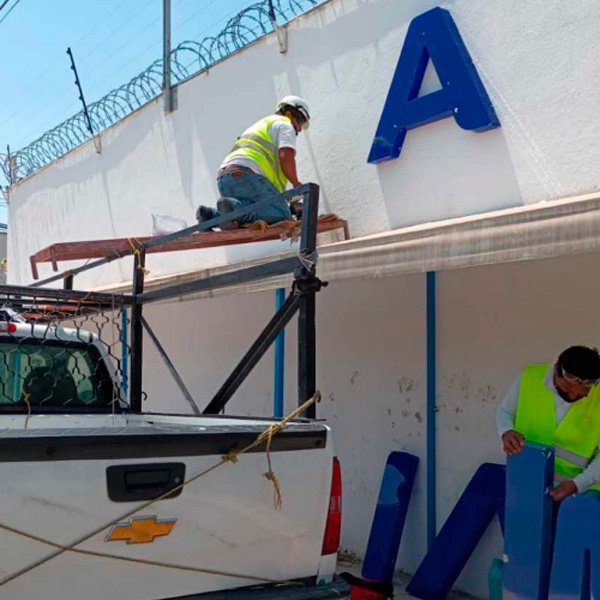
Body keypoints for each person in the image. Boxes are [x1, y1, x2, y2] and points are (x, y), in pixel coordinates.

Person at [496, 345, 600, 502]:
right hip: (528, 481)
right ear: (557, 369)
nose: (572, 396)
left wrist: (576, 484)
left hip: (582, 491)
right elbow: (505, 412)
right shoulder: (530, 377)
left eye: (582, 394)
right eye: (567, 388)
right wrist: (506, 431)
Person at [196, 96, 310, 230]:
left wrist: (283, 198)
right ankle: (233, 208)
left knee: (250, 210)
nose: (300, 129)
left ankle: (210, 215)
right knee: (282, 217)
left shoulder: (262, 125)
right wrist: (296, 184)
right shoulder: (285, 124)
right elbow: (285, 154)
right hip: (247, 176)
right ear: (289, 114)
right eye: (300, 122)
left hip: (224, 179)